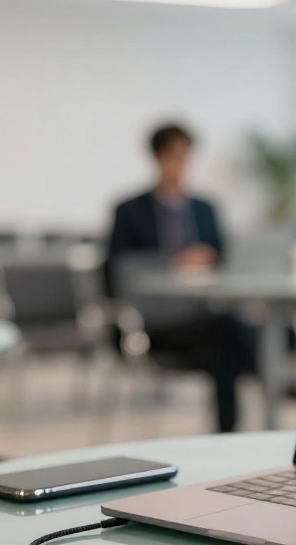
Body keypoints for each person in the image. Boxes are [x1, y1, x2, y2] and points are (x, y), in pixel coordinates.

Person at [103, 123, 252, 433]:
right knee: (234, 337)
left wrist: (208, 261)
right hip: (156, 323)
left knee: (229, 341)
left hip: (203, 316)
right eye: (174, 155)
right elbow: (118, 271)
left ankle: (229, 431)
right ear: (156, 158)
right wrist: (174, 263)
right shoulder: (130, 211)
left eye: (187, 155)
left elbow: (226, 262)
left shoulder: (205, 209)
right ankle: (241, 421)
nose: (182, 163)